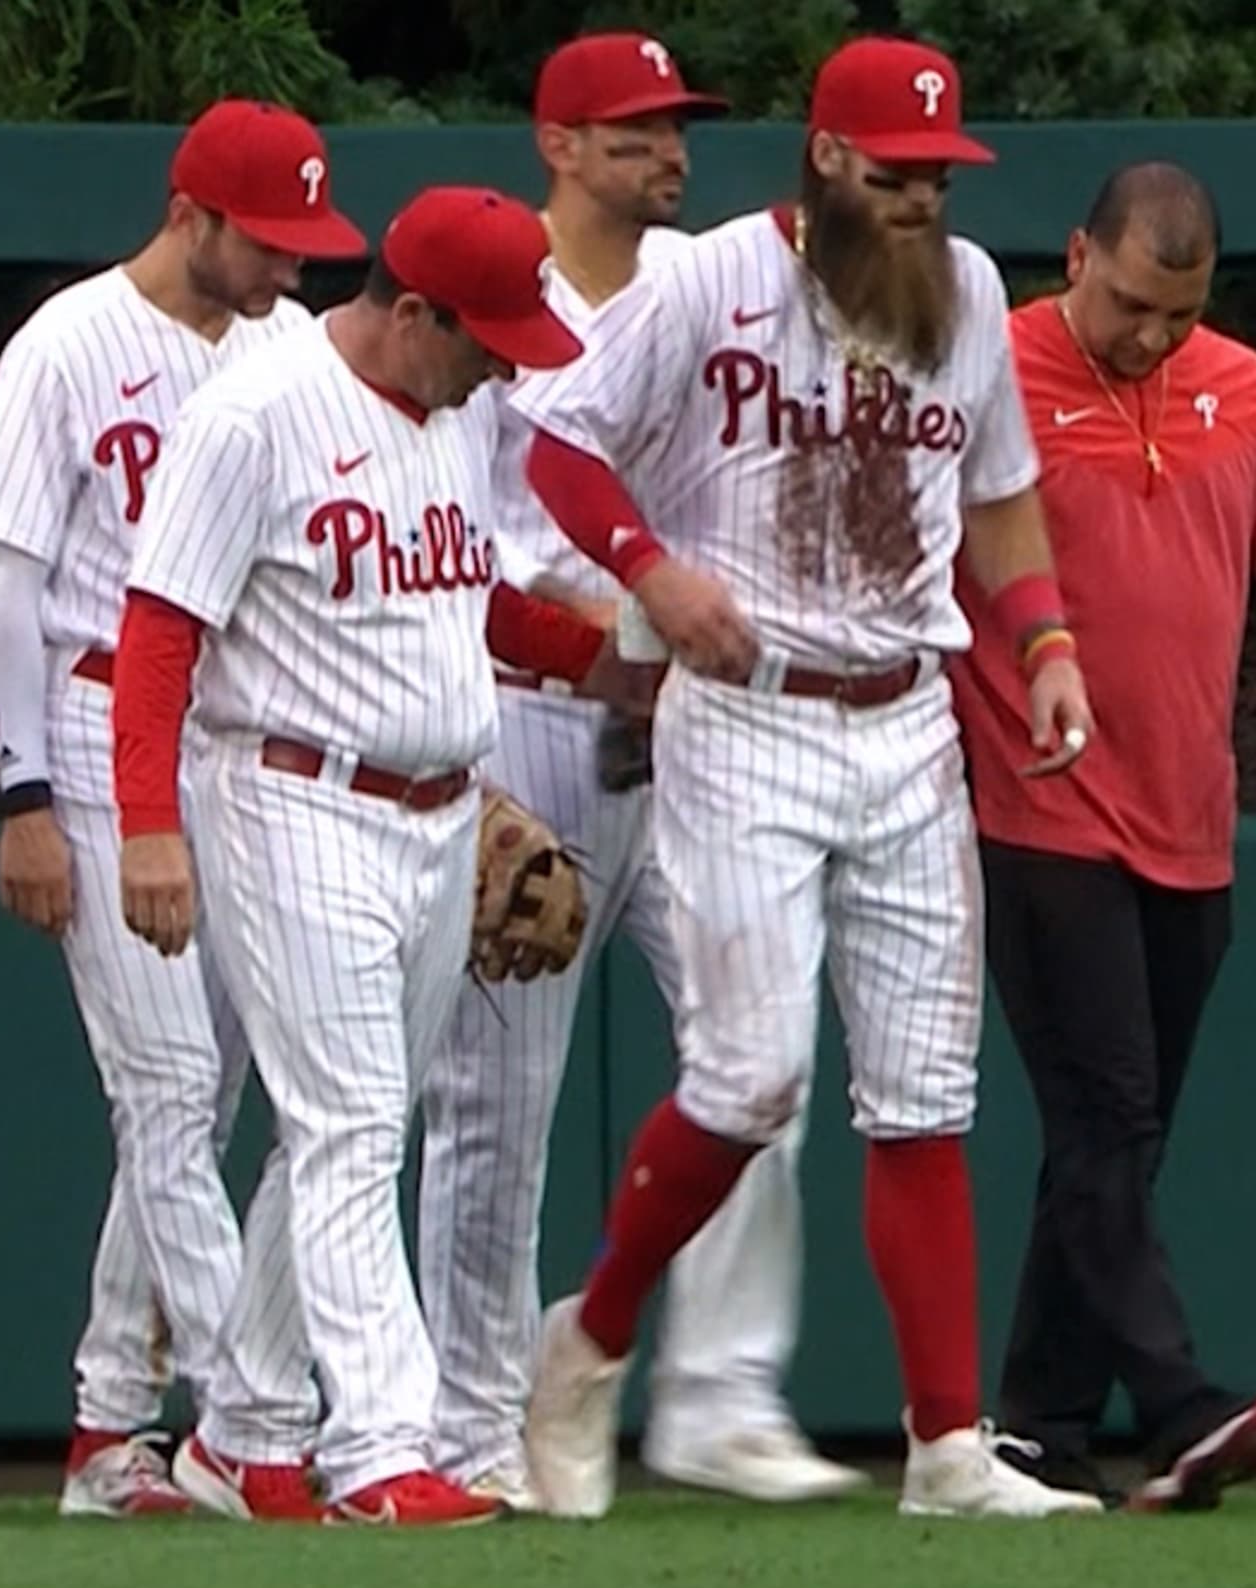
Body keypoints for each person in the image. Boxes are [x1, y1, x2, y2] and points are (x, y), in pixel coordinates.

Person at [509, 35, 1108, 1521]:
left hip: (906, 715)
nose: (923, 199)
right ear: (830, 161)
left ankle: (949, 1451)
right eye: (899, 174)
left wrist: (1044, 646)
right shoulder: (708, 279)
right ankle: (584, 1350)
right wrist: (648, 567)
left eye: (940, 175)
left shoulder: (965, 293)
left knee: (922, 1101)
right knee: (752, 1074)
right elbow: (560, 452)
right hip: (749, 707)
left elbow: (1002, 497)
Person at [408, 29, 863, 1513]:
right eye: (635, 134)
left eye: (677, 133)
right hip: (529, 712)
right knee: (496, 1099)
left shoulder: (700, 294)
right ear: (558, 145)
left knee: (760, 1056)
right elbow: (445, 558)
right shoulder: (490, 295)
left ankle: (717, 1393)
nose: (670, 156)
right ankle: (478, 1417)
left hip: (698, 727)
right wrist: (596, 634)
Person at [109, 184, 588, 1528]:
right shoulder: (253, 415)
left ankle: (242, 1435)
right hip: (290, 798)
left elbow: (457, 593)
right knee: (351, 1122)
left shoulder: (448, 410)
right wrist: (146, 824)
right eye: (486, 335)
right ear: (414, 309)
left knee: (339, 1133)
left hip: (437, 818)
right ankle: (382, 1445)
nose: (506, 361)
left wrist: (600, 660)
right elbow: (157, 634)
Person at [953, 162, 1256, 1510]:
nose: (1153, 336)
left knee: (1117, 1141)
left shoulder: (1249, 389)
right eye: (1134, 304)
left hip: (1190, 817)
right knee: (1106, 1114)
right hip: (1038, 803)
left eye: (1182, 311)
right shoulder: (995, 372)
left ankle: (1040, 1428)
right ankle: (1180, 1402)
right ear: (1075, 255)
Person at [0, 99, 366, 1520]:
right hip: (90, 710)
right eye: (272, 238)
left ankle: (109, 1426)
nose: (295, 266)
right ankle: (249, 1425)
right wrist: (24, 796)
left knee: (216, 1090)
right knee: (171, 1089)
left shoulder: (289, 349)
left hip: (240, 732)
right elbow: (4, 583)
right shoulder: (68, 342)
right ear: (193, 214)